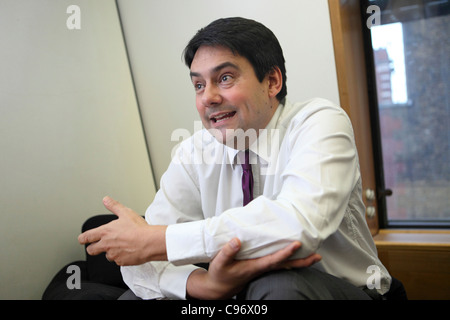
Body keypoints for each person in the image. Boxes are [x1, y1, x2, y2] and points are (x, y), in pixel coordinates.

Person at [78, 17, 391, 300]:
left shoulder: (320, 122)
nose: (208, 98)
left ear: (272, 82)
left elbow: (298, 227)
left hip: (341, 290)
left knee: (278, 286)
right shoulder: (194, 152)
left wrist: (159, 239)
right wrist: (205, 285)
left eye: (224, 78)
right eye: (198, 84)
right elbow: (140, 263)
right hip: (239, 294)